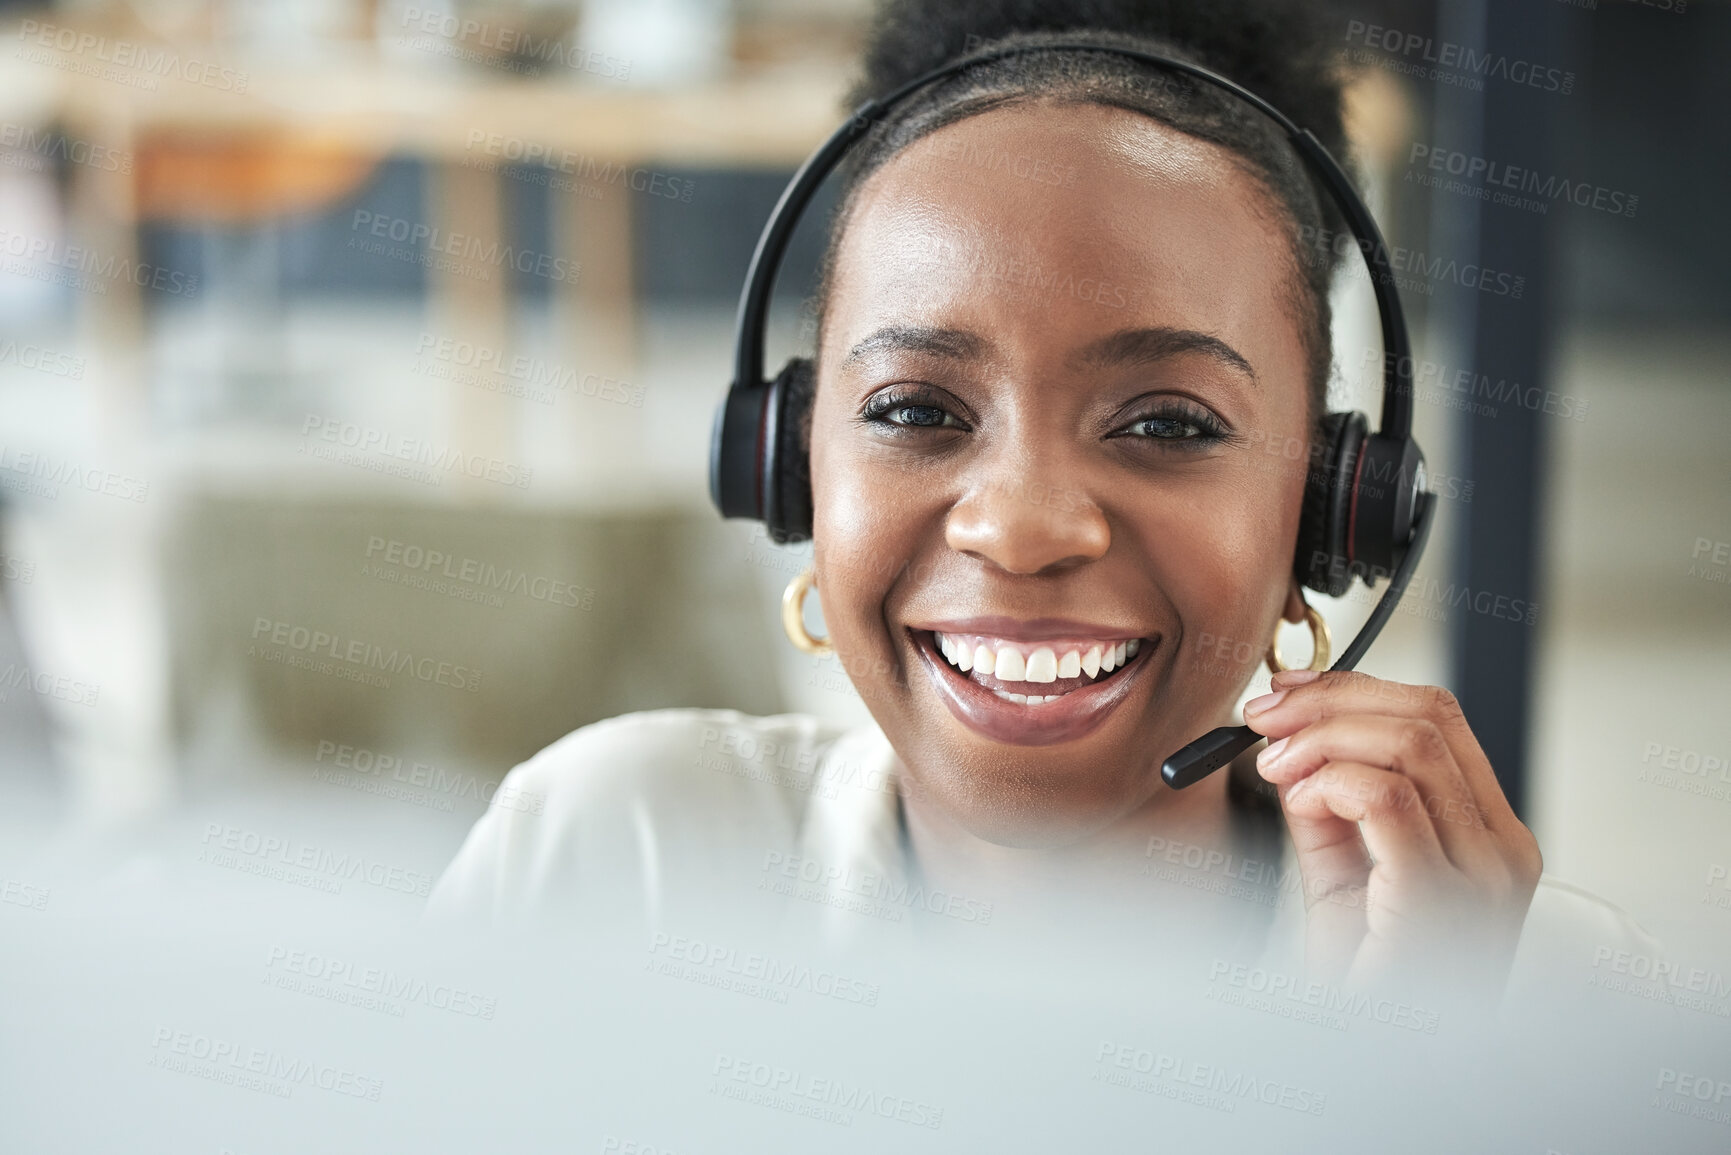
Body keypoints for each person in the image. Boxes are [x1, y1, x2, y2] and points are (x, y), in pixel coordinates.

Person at [428, 0, 1653, 1007]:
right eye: (917, 411)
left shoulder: (1548, 998)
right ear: (792, 468)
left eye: (1169, 423)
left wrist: (1406, 1088)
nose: (1018, 528)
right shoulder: (608, 856)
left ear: (1330, 513)